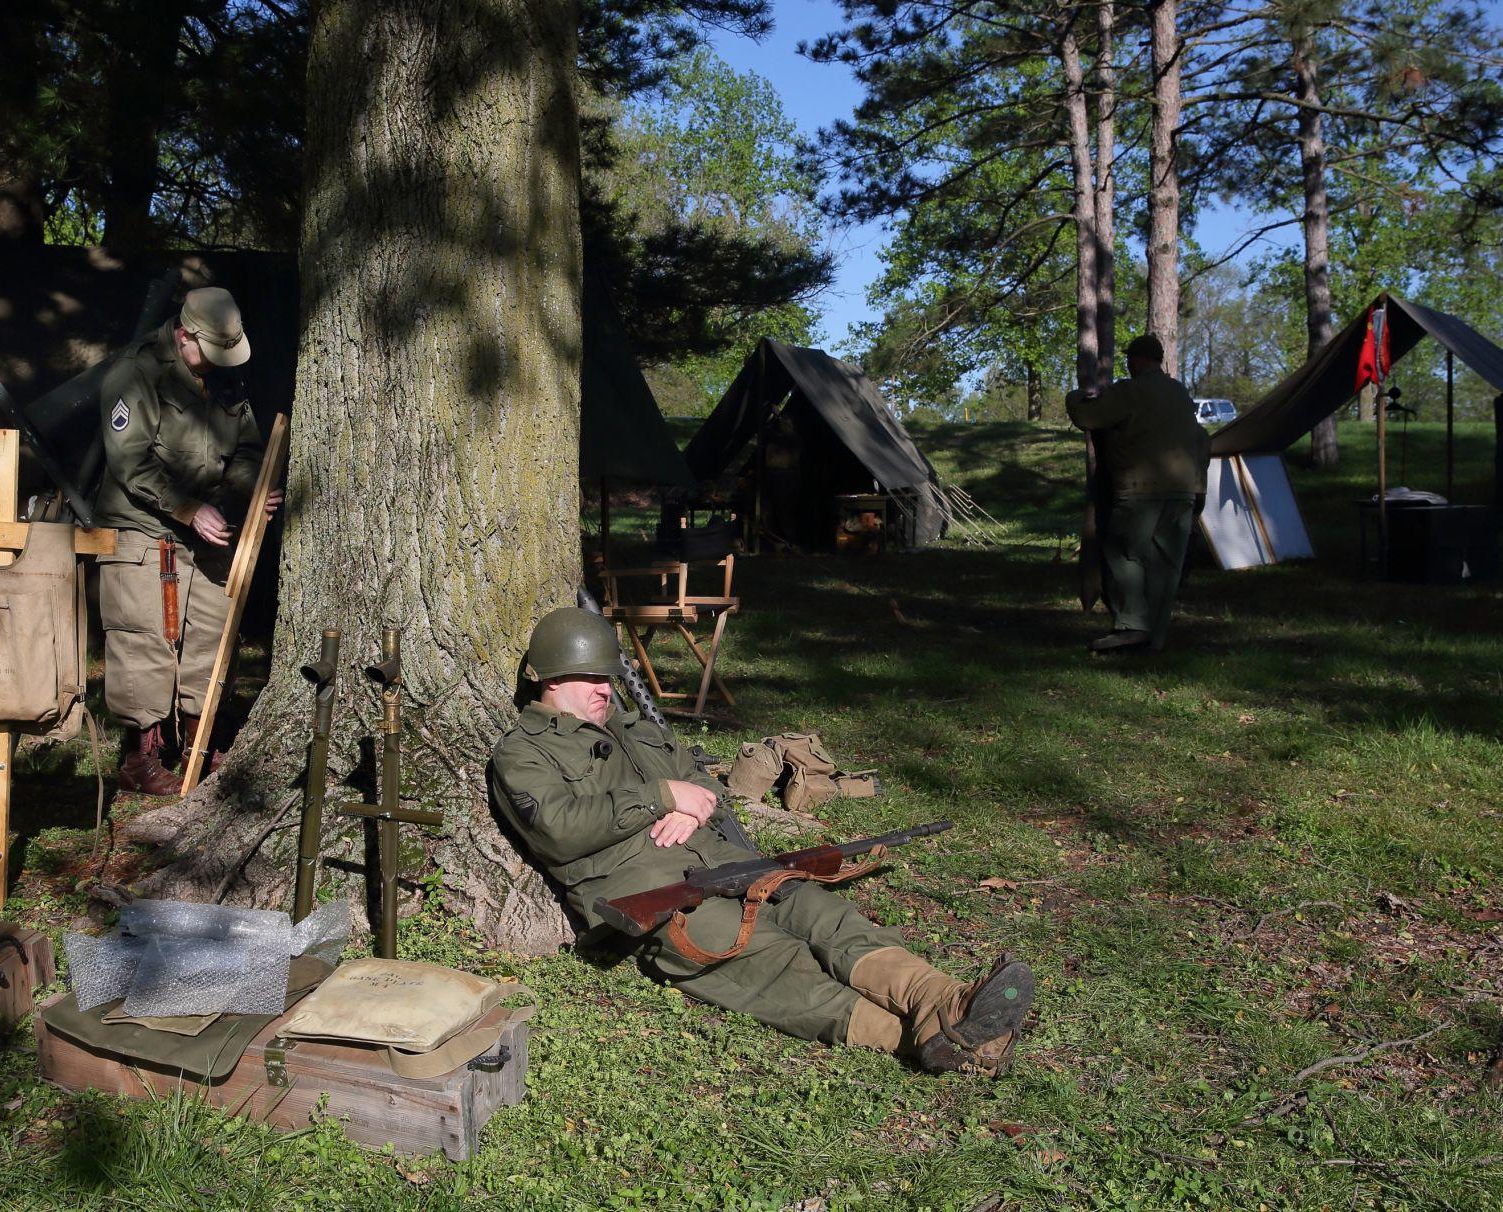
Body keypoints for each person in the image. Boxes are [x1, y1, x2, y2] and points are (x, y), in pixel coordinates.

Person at [488, 608, 1034, 1076]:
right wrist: (659, 796)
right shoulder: (524, 752)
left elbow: (703, 785)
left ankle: (944, 1000)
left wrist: (692, 798)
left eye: (609, 676)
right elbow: (558, 831)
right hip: (653, 892)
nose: (607, 689)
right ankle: (925, 1040)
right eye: (591, 679)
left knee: (824, 914)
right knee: (773, 960)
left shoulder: (636, 729)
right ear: (552, 680)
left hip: (725, 860)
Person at [95, 287, 281, 794]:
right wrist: (188, 508)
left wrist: (248, 493)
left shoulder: (224, 379)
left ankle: (201, 742)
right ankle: (141, 755)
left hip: (208, 525)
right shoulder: (134, 374)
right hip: (141, 523)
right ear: (183, 336)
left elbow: (246, 449)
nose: (220, 364)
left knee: (213, 628)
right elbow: (130, 461)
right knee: (143, 635)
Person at [1066, 333, 1211, 653]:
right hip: (1183, 492)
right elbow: (1201, 439)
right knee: (1165, 565)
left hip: (1140, 490)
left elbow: (1089, 417)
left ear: (1135, 360)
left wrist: (1074, 398)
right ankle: (1155, 635)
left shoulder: (1132, 391)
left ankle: (1131, 625)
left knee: (1123, 553)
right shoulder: (1179, 394)